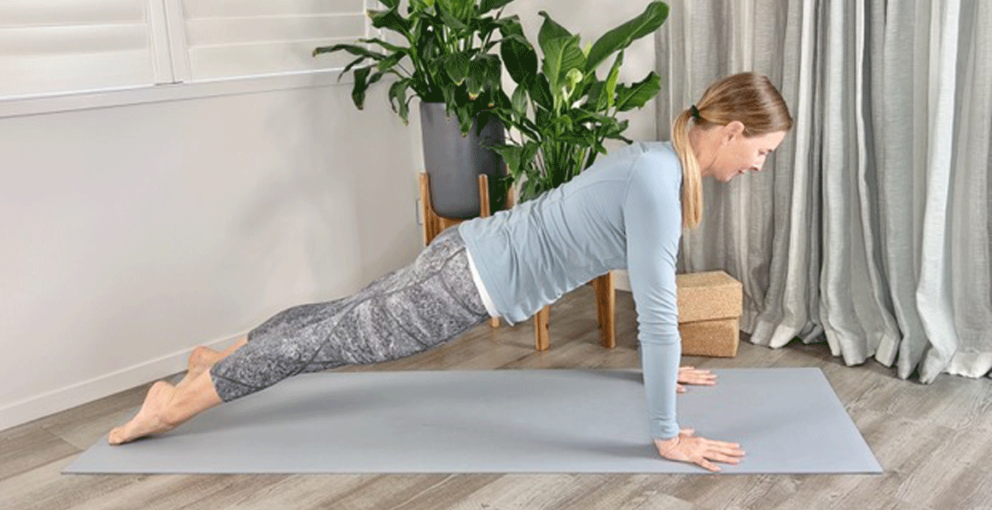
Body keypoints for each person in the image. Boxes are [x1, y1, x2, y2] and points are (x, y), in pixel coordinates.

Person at [109, 72, 793, 472]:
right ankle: (172, 405)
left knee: (335, 318)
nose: (758, 165)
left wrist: (661, 370)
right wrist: (668, 434)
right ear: (732, 131)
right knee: (329, 340)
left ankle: (217, 358)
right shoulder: (659, 183)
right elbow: (660, 312)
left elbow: (650, 304)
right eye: (762, 151)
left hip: (469, 257)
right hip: (466, 280)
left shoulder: (657, 165)